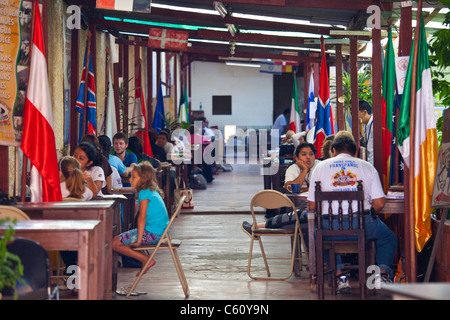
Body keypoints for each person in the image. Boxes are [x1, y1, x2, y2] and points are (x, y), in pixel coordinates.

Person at [307, 134, 397, 293]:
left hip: (329, 228)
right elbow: (380, 204)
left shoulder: (320, 167)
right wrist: (364, 216)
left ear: (333, 150)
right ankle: (381, 275)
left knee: (318, 235)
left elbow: (312, 205)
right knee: (388, 238)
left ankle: (340, 276)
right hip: (362, 226)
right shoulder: (367, 167)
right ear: (355, 152)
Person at [241, 143, 318, 235]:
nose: (308, 157)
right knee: (296, 219)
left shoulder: (320, 166)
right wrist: (304, 171)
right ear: (297, 158)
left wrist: (303, 190)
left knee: (296, 219)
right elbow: (290, 188)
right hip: (306, 208)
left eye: (311, 154)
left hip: (316, 208)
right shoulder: (293, 168)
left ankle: (256, 228)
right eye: (304, 154)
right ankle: (257, 228)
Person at [112, 161, 169, 276]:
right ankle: (145, 259)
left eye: (134, 177)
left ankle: (145, 259)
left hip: (153, 234)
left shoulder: (144, 194)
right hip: (160, 233)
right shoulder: (150, 191)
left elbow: (141, 218)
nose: (130, 180)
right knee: (117, 240)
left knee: (115, 243)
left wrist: (138, 241)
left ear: (143, 179)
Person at [358, 100, 374, 165]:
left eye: (358, 114)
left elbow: (373, 151)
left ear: (364, 112)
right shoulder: (365, 125)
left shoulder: (374, 125)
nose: (358, 118)